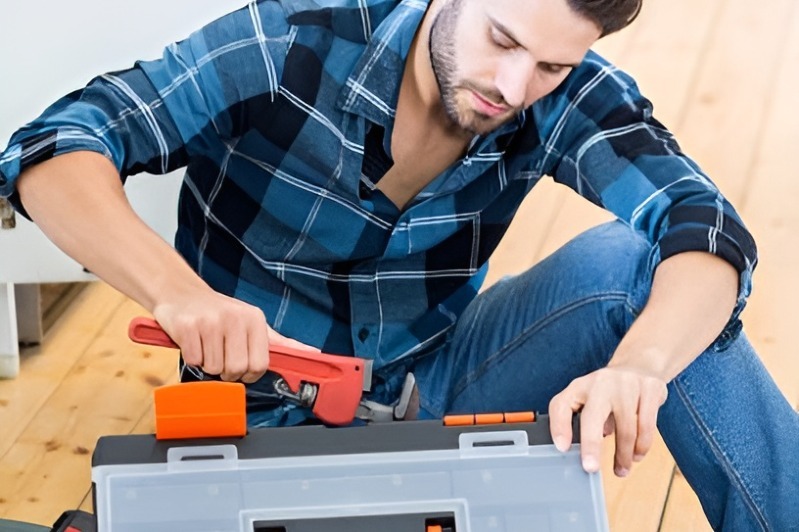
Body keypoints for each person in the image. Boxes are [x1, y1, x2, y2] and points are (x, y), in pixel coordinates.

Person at [1, 0, 797, 528]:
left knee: (643, 270)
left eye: (551, 66)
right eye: (501, 39)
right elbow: (51, 147)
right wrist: (178, 294)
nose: (513, 87)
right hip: (268, 424)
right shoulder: (286, 44)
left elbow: (706, 225)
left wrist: (643, 368)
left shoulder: (563, 94)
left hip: (438, 385)